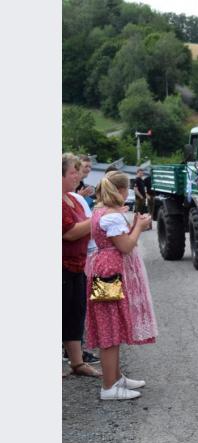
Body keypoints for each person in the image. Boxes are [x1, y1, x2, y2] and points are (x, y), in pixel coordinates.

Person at [84, 170, 158, 400]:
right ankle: (109, 386)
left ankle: (115, 378)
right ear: (122, 191)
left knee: (112, 327)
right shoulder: (111, 217)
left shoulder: (100, 211)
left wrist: (134, 223)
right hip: (109, 272)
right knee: (109, 331)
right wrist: (140, 227)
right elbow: (125, 246)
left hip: (104, 269)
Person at [62, 153, 102, 378]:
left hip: (77, 265)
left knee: (75, 314)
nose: (77, 175)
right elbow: (69, 233)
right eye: (73, 172)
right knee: (61, 313)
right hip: (63, 265)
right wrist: (97, 218)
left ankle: (77, 363)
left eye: (78, 171)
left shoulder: (72, 198)